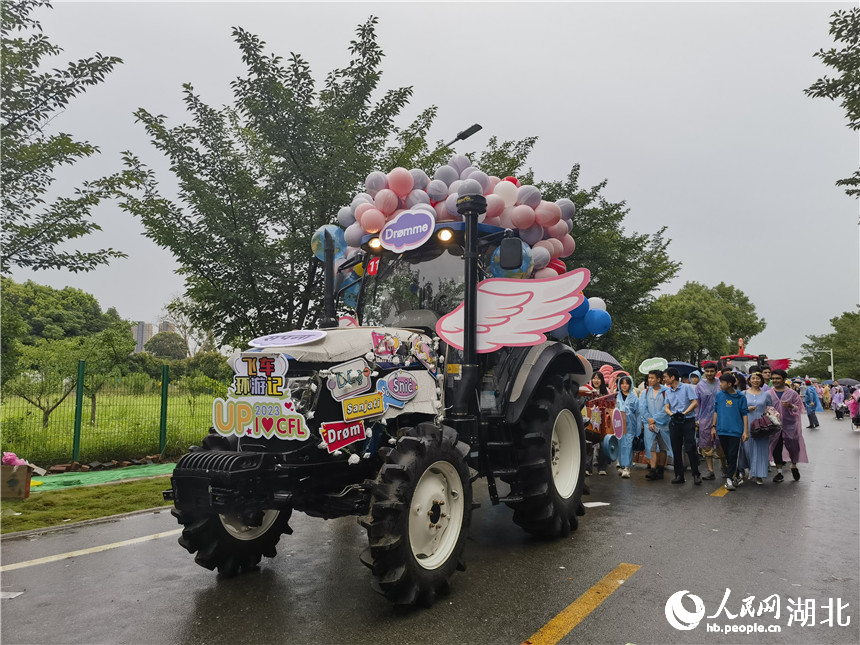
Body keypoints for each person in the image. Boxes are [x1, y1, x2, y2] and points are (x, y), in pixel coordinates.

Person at [768, 369, 808, 482]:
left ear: (784, 380)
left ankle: (793, 465)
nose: (775, 380)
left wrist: (791, 406)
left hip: (791, 425)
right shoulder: (768, 394)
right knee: (776, 447)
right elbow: (764, 407)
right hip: (775, 426)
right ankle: (779, 472)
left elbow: (800, 408)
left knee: (793, 447)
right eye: (773, 378)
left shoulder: (792, 393)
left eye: (778, 378)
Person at [663, 367, 701, 485]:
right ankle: (679, 475)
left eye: (665, 377)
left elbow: (694, 402)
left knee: (690, 447)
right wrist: (672, 415)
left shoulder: (687, 387)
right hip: (674, 422)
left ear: (672, 377)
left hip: (687, 420)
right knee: (676, 448)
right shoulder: (668, 391)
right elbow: (666, 407)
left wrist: (684, 413)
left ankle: (696, 474)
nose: (664, 379)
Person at [712, 372, 749, 491]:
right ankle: (736, 475)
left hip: (735, 431)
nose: (720, 385)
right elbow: (716, 411)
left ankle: (729, 479)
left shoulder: (740, 397)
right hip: (722, 430)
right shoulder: (719, 395)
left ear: (729, 384)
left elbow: (744, 414)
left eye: (722, 383)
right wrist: (713, 427)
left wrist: (745, 431)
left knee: (733, 454)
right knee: (728, 455)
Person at [695, 364, 726, 480]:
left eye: (712, 371)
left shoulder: (721, 383)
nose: (709, 373)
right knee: (706, 445)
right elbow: (697, 404)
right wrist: (696, 419)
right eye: (707, 371)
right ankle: (710, 471)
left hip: (721, 418)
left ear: (716, 372)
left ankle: (724, 467)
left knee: (721, 444)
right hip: (705, 419)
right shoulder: (700, 386)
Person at [643, 369, 672, 481]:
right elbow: (643, 407)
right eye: (649, 377)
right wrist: (649, 421)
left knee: (663, 447)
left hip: (663, 424)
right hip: (650, 425)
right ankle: (653, 470)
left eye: (652, 378)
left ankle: (661, 469)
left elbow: (666, 409)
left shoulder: (666, 391)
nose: (649, 380)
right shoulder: (646, 392)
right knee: (652, 447)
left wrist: (654, 420)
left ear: (659, 379)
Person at [744, 371, 771, 485]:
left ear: (761, 381)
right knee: (747, 448)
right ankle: (751, 470)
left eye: (758, 378)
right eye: (753, 378)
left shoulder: (766, 394)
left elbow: (771, 408)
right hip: (747, 423)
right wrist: (746, 409)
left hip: (761, 425)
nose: (755, 380)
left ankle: (759, 475)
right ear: (749, 380)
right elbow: (738, 409)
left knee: (761, 449)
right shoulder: (743, 393)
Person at [615, 375, 640, 478]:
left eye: (626, 383)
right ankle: (621, 465)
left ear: (630, 385)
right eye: (622, 383)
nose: (624, 386)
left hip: (630, 425)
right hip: (619, 425)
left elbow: (638, 413)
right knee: (620, 446)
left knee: (628, 446)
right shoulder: (617, 396)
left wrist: (638, 428)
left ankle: (627, 467)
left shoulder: (634, 398)